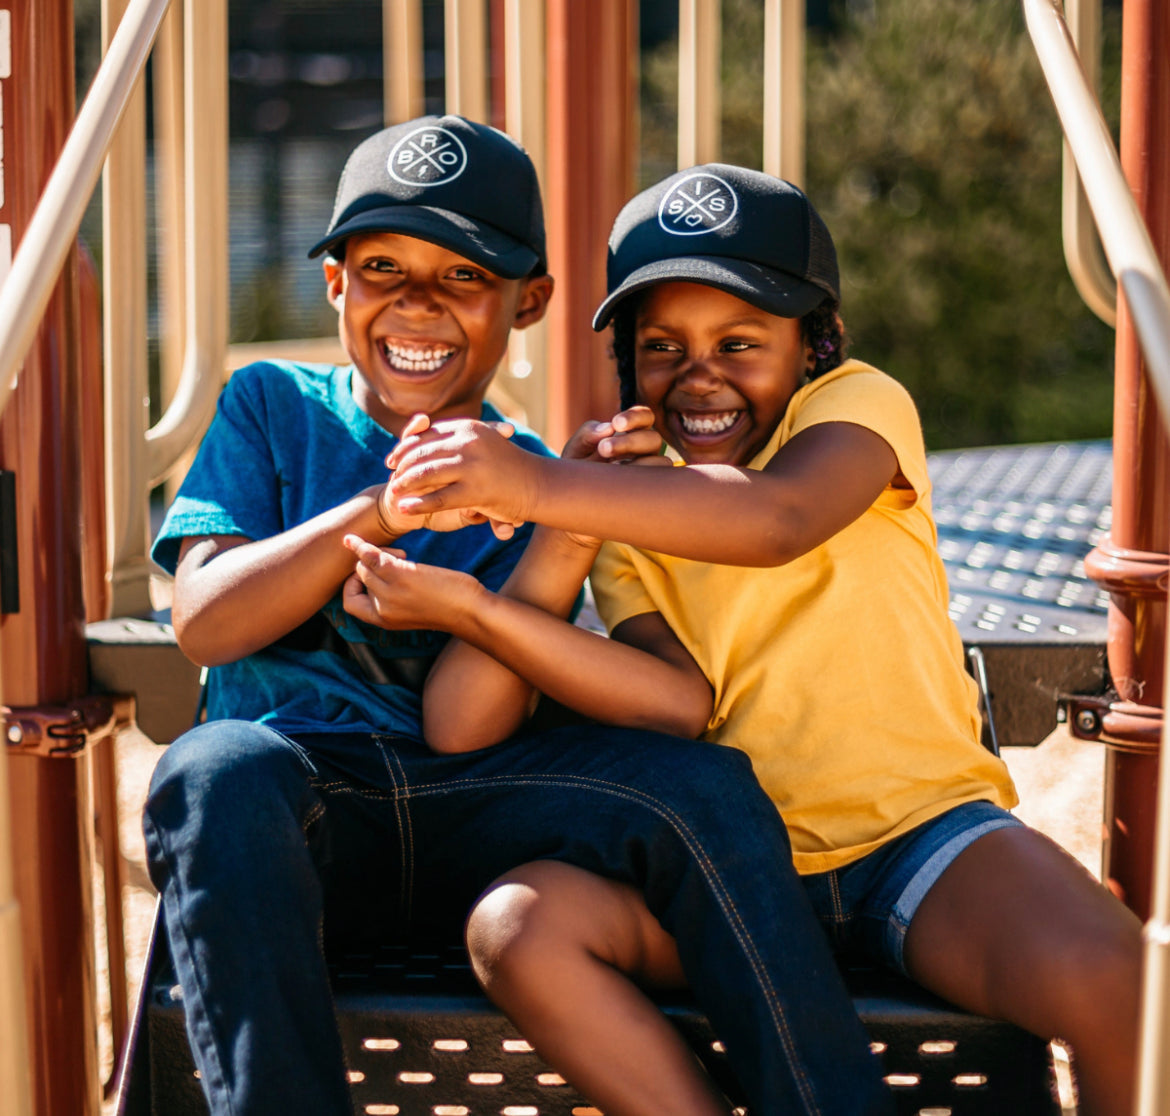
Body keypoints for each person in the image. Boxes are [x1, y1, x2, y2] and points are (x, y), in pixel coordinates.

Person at [359, 164, 1145, 1116]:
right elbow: (673, 704)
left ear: (817, 345)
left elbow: (778, 520)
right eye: (661, 348)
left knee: (1119, 982)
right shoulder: (620, 512)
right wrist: (483, 600)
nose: (700, 375)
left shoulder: (855, 410)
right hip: (730, 878)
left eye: (741, 342)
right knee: (518, 926)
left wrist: (530, 487)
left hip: (918, 840)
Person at [144, 123, 890, 1116]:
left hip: (473, 803)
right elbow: (203, 622)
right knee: (214, 771)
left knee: (700, 783)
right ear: (335, 283)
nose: (417, 302)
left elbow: (473, 729)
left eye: (463, 276)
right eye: (382, 268)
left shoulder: (528, 472)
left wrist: (556, 516)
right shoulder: (272, 406)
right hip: (305, 806)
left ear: (528, 301)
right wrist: (385, 508)